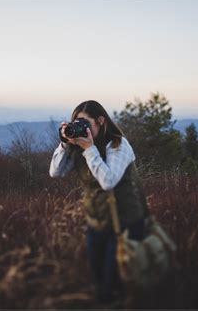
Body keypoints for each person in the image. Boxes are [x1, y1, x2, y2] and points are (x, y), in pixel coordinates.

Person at [49, 100, 151, 304]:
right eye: (76, 122)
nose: (80, 127)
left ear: (101, 121)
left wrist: (89, 149)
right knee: (99, 284)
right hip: (97, 224)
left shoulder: (118, 144)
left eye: (85, 123)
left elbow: (108, 181)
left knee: (113, 287)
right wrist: (64, 143)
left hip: (126, 225)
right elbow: (56, 172)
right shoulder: (80, 147)